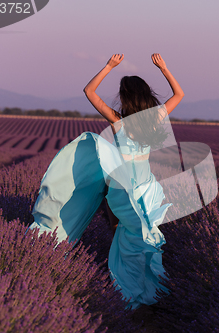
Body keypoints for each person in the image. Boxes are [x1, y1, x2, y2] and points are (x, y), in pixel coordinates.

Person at [27, 53, 184, 310]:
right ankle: (145, 292)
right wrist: (164, 69)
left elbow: (89, 91)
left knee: (127, 237)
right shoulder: (154, 119)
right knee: (143, 238)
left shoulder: (118, 122)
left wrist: (108, 67)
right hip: (146, 190)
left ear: (125, 98)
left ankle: (130, 293)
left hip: (121, 191)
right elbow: (179, 95)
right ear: (145, 96)